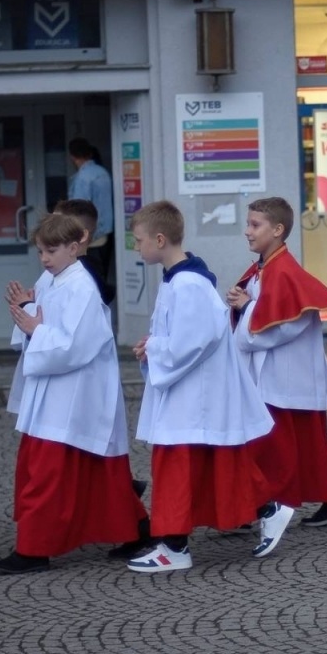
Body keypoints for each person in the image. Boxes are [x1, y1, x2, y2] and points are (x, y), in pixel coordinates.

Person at [128, 200, 291, 572]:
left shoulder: (188, 283)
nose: (136, 248)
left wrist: (154, 347)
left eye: (138, 241)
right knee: (211, 466)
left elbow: (194, 340)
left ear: (159, 238)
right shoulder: (181, 279)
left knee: (178, 468)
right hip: (191, 392)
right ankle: (266, 507)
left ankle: (173, 546)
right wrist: (153, 346)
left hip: (194, 395)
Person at [0, 212, 148, 574]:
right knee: (95, 472)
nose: (44, 259)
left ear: (74, 247)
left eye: (51, 250)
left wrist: (34, 325)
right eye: (40, 252)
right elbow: (43, 325)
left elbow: (74, 346)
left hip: (76, 392)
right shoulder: (52, 279)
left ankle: (33, 549)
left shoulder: (81, 287)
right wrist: (27, 311)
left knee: (49, 472)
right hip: (57, 389)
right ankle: (138, 529)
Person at [225, 197, 327, 527]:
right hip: (283, 376)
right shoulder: (266, 267)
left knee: (276, 447)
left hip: (285, 377)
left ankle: (261, 508)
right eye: (248, 224)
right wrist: (243, 305)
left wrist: (246, 308)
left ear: (278, 230)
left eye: (255, 225)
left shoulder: (283, 272)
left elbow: (280, 327)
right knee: (307, 445)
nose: (247, 231)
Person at [67, 139, 116, 307]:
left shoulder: (83, 178)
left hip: (88, 238)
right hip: (105, 234)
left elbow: (78, 211)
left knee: (90, 281)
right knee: (100, 276)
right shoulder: (102, 172)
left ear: (73, 157)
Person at [54, 198, 112, 307]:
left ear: (82, 236)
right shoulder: (57, 268)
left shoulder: (84, 280)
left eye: (55, 227)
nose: (47, 232)